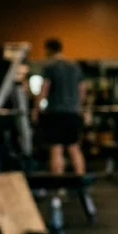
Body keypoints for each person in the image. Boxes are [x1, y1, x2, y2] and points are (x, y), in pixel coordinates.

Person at [37, 38, 87, 175]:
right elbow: (82, 89)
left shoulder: (50, 67)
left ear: (48, 50)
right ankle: (81, 183)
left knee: (56, 148)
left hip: (56, 112)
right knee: (74, 147)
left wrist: (36, 108)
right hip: (73, 112)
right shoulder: (74, 66)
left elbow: (44, 88)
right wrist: (78, 106)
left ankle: (58, 187)